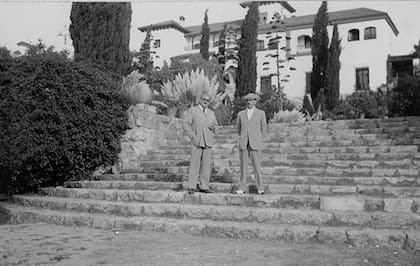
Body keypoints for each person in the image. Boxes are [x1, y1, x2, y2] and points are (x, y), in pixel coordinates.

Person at [183, 93, 218, 194]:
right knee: (194, 164)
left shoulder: (211, 113)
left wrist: (214, 128)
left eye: (207, 100)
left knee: (206, 166)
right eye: (204, 99)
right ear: (199, 100)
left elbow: (217, 127)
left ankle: (204, 187)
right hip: (196, 142)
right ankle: (191, 186)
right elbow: (185, 123)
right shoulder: (193, 111)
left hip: (208, 142)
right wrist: (193, 136)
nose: (205, 101)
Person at [235, 93, 267, 194]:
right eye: (247, 100)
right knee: (243, 167)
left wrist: (259, 138)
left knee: (257, 166)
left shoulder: (261, 113)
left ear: (255, 101)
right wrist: (243, 136)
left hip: (255, 143)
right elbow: (238, 128)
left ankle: (260, 187)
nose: (249, 102)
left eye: (251, 100)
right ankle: (242, 187)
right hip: (244, 142)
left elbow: (264, 128)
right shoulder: (241, 114)